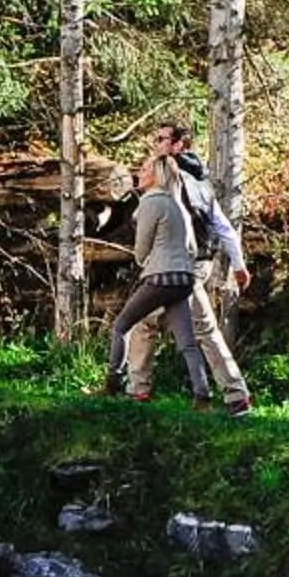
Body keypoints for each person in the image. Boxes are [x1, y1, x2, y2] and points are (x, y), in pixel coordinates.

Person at [121, 119, 255, 416]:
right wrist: (238, 264)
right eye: (156, 139)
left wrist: (150, 257)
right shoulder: (201, 181)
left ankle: (235, 396)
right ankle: (139, 390)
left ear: (179, 145)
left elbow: (163, 225)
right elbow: (223, 227)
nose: (156, 145)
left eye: (162, 139)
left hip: (181, 266)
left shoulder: (172, 179)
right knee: (150, 322)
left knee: (198, 327)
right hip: (197, 263)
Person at [108, 153, 214, 404]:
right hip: (184, 280)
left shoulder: (150, 202)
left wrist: (145, 261)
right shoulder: (179, 206)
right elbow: (192, 249)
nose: (140, 174)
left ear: (156, 176)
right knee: (187, 343)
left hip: (159, 278)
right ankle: (202, 397)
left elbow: (141, 248)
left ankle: (113, 384)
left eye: (145, 170)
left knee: (121, 326)